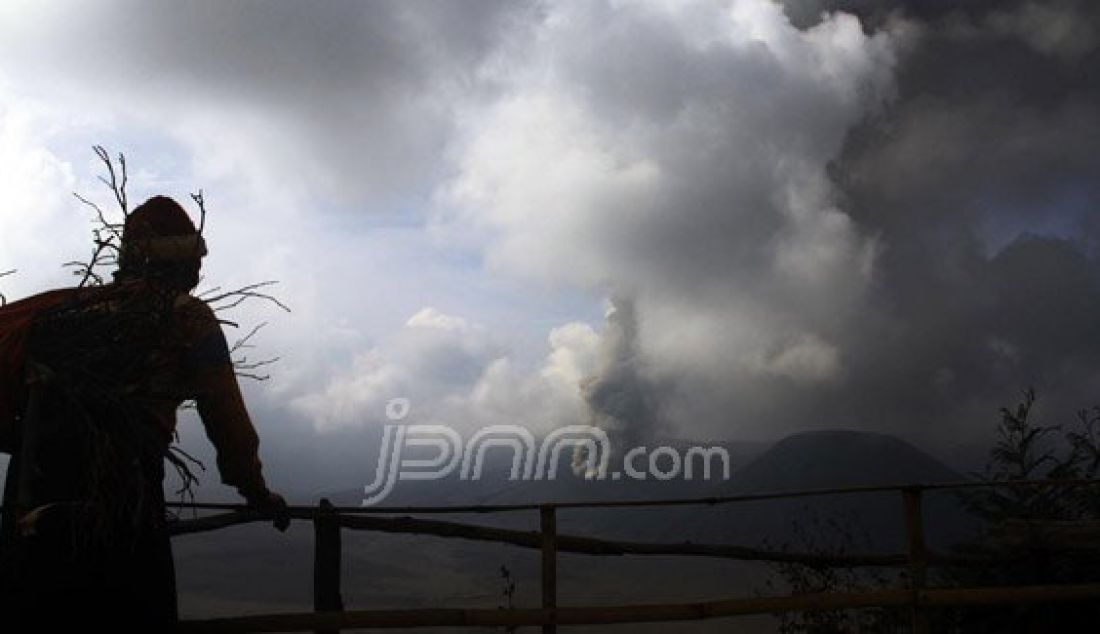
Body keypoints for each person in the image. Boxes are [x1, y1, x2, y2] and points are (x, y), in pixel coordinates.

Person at [0, 195, 289, 630]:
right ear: (185, 261)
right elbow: (228, 422)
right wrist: (256, 491)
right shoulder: (188, 318)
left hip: (32, 488)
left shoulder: (64, 313)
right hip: (122, 491)